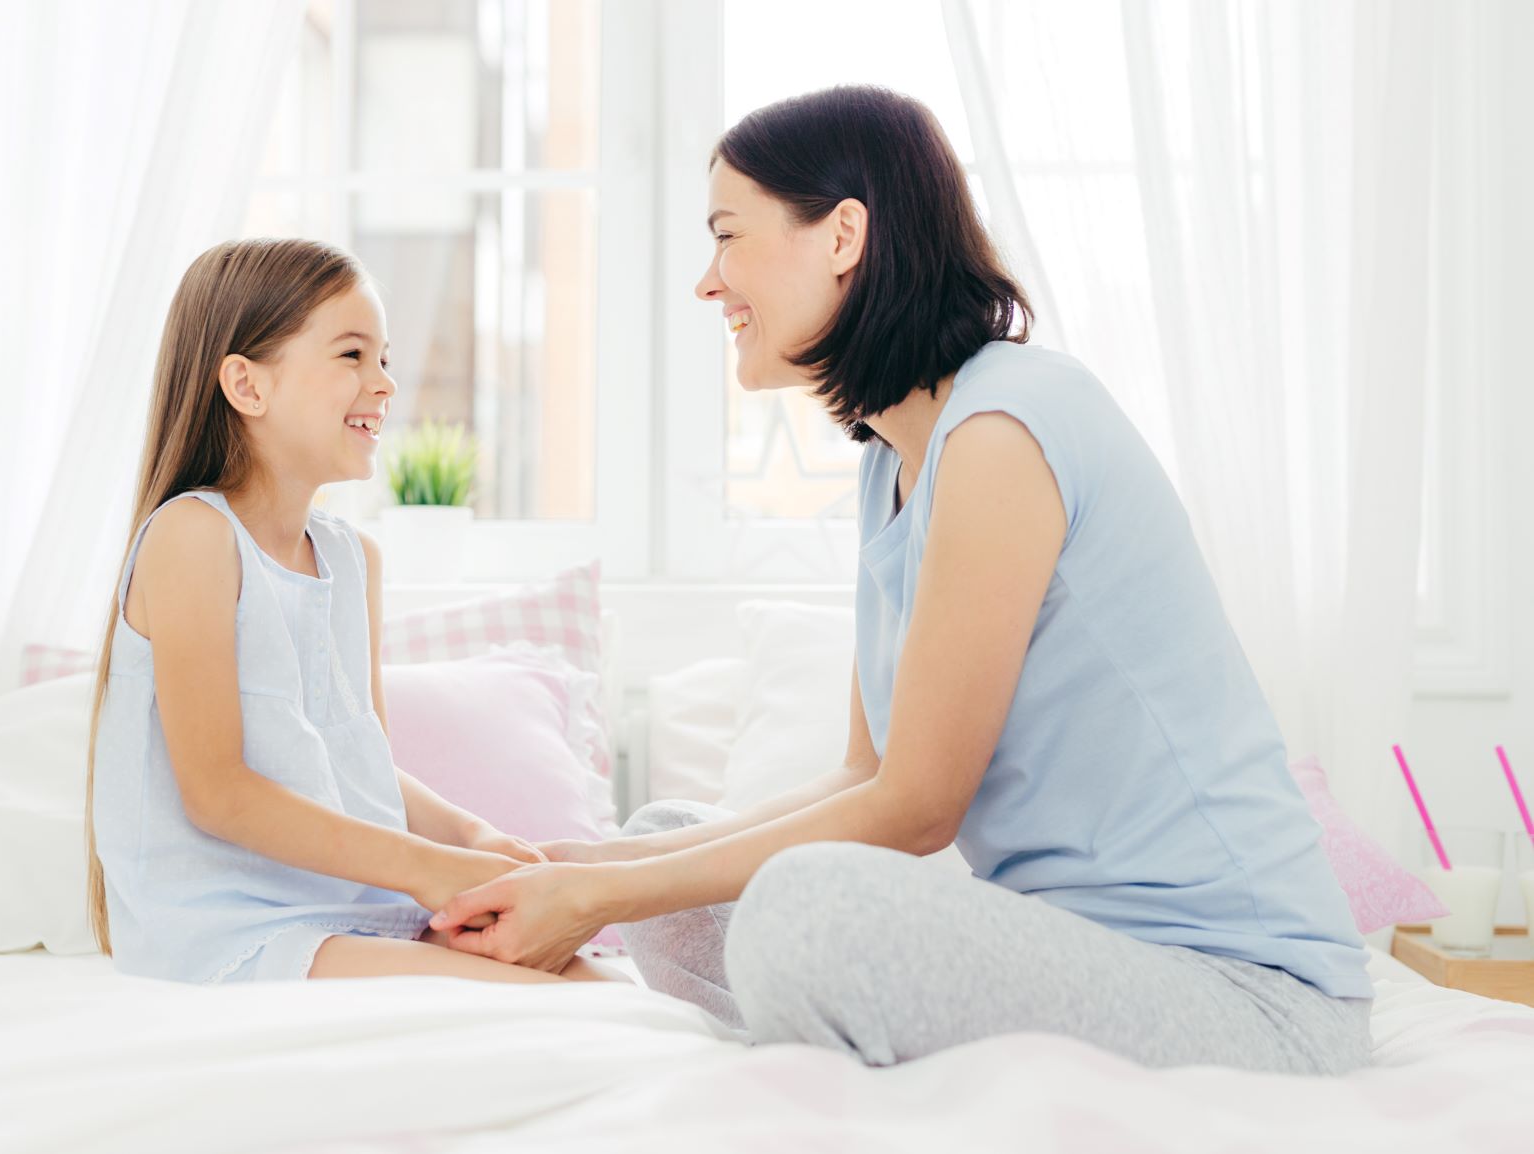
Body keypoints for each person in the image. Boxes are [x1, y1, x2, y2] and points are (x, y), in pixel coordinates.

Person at [428, 86, 1375, 1075]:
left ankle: (828, 1015)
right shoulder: (892, 459)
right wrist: (596, 868)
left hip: (1245, 995)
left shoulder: (1004, 428)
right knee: (667, 838)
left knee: (797, 910)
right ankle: (826, 1018)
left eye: (727, 235)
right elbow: (862, 772)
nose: (710, 284)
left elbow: (918, 808)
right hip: (1079, 950)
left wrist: (598, 901)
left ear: (842, 234)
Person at [84, 237, 616, 986]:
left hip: (353, 905)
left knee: (599, 982)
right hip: (228, 926)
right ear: (246, 383)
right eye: (351, 355)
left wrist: (472, 835)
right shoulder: (193, 538)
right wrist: (432, 869)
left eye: (385, 358)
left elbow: (360, 762)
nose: (385, 384)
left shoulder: (351, 558)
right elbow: (219, 794)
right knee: (541, 996)